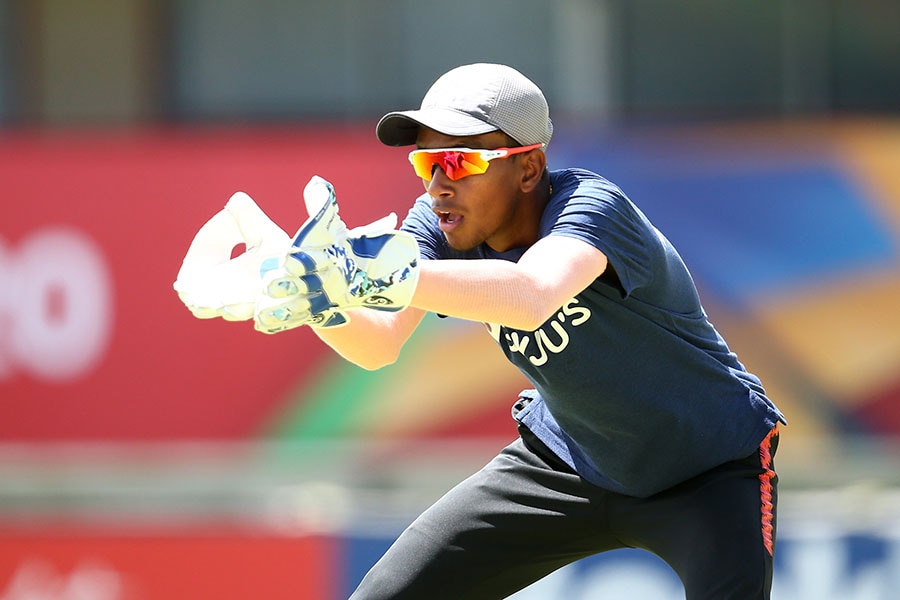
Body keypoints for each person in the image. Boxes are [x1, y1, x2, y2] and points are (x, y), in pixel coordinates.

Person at [184, 62, 787, 599]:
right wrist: (322, 299)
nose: (437, 184)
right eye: (425, 162)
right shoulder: (441, 224)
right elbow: (377, 343)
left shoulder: (592, 207)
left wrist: (368, 276)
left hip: (709, 469)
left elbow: (529, 296)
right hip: (566, 464)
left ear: (528, 168)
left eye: (459, 161)